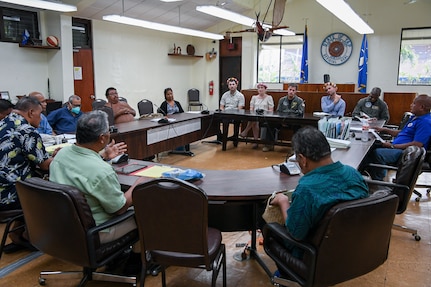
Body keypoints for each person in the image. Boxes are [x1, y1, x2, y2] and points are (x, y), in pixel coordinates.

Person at [49, 110, 146, 274]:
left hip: (63, 226)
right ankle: (134, 264)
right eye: (109, 131)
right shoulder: (102, 171)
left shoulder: (61, 154)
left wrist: (103, 156)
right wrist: (139, 185)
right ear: (102, 138)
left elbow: (81, 166)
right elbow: (119, 208)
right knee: (143, 211)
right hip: (95, 231)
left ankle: (117, 256)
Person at [269, 126, 368, 258]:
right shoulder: (354, 174)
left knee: (269, 227)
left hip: (313, 255)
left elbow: (295, 233)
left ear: (303, 160)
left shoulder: (307, 189)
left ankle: (286, 274)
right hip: (350, 247)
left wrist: (283, 201)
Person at [0, 96, 54, 252]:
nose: (41, 117)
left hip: (3, 189)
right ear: (31, 112)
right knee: (54, 194)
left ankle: (18, 234)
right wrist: (60, 156)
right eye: (40, 113)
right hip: (8, 195)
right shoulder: (26, 130)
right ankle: (31, 236)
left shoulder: (4, 122)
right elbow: (44, 164)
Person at [362, 94, 431, 180]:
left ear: (422, 107)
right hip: (397, 147)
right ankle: (365, 174)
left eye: (414, 103)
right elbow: (402, 133)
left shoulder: (425, 122)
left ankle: (379, 180)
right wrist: (384, 129)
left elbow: (417, 145)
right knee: (369, 147)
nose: (411, 105)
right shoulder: (415, 118)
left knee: (377, 153)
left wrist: (392, 146)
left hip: (405, 153)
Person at [261, 83, 305, 152]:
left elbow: (300, 112)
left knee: (298, 128)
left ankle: (295, 148)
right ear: (287, 90)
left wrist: (287, 112)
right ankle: (269, 145)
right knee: (270, 123)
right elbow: (278, 111)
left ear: (296, 91)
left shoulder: (299, 101)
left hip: (293, 122)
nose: (291, 92)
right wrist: (289, 113)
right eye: (290, 89)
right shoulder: (282, 100)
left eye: (293, 90)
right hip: (281, 121)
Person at [239, 83, 274, 149]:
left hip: (265, 117)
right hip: (255, 116)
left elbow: (271, 110)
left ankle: (246, 132)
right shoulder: (254, 97)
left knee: (254, 120)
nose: (260, 89)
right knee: (255, 120)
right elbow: (251, 109)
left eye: (262, 88)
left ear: (265, 89)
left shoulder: (269, 97)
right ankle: (255, 141)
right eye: (259, 88)